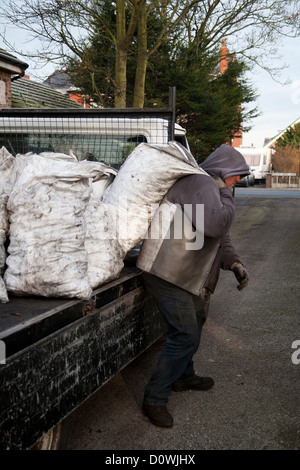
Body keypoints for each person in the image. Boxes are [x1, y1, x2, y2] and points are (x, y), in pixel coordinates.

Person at [136, 143, 250, 428]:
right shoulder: (202, 183)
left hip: (180, 271)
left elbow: (220, 236)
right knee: (185, 333)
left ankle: (184, 376)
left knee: (196, 318)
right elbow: (215, 226)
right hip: (164, 269)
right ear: (224, 170)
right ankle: (155, 398)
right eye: (236, 175)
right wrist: (225, 192)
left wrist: (233, 262)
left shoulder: (207, 186)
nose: (237, 182)